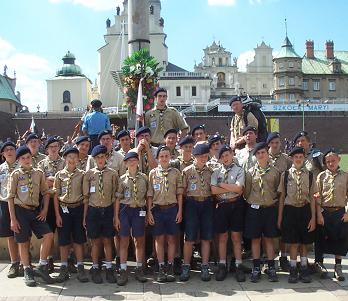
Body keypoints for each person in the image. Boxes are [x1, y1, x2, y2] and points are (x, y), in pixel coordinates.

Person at [7, 146, 55, 287]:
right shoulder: (15, 174)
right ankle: (27, 270)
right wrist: (13, 219)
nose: (26, 160)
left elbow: (46, 192)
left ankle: (41, 265)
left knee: (49, 235)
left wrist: (45, 210)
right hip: (20, 211)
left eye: (28, 157)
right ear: (19, 160)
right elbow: (10, 197)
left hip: (35, 211)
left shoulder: (38, 173)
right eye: (23, 158)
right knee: (23, 241)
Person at [277, 146, 317, 284]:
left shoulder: (310, 175)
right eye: (296, 157)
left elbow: (312, 197)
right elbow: (282, 197)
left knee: (304, 243)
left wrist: (313, 217)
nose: (298, 159)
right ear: (292, 159)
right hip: (290, 210)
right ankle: (293, 268)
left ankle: (304, 267)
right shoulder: (286, 175)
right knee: (293, 242)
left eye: (301, 157)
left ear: (304, 158)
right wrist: (280, 217)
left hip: (305, 210)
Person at [244, 142, 281, 283]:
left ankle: (271, 267)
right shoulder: (250, 173)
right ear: (255, 156)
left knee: (269, 239)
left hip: (269, 209)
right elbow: (246, 193)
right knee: (255, 239)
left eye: (263, 152)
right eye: (258, 153)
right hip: (254, 209)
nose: (261, 155)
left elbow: (277, 191)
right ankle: (256, 267)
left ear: (267, 153)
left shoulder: (275, 172)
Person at [147, 146, 183, 282]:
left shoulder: (176, 173)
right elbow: (150, 194)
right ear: (157, 158)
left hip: (172, 208)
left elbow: (179, 193)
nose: (164, 159)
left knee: (172, 239)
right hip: (158, 210)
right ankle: (161, 266)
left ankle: (170, 266)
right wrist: (149, 211)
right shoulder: (153, 173)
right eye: (161, 156)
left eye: (166, 156)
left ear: (170, 157)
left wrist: (180, 210)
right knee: (159, 239)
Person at [83, 145, 118, 284]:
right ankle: (95, 266)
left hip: (108, 210)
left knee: (107, 240)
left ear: (106, 158)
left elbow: (116, 196)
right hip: (93, 210)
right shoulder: (89, 174)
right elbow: (86, 197)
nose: (100, 160)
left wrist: (115, 216)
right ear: (94, 159)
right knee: (95, 241)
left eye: (102, 157)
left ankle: (109, 267)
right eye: (97, 157)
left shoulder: (113, 174)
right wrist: (85, 216)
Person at [211, 145, 246, 282]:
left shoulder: (239, 170)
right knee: (222, 237)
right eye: (222, 156)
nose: (225, 158)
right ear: (219, 159)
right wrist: (229, 188)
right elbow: (213, 191)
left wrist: (222, 185)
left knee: (236, 237)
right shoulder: (216, 172)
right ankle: (222, 265)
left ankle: (238, 265)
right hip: (222, 206)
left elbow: (238, 189)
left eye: (227, 155)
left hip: (235, 205)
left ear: (232, 154)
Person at [53, 147, 88, 283]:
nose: (72, 160)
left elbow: (85, 197)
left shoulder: (82, 175)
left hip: (78, 209)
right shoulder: (59, 175)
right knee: (63, 240)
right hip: (64, 209)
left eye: (75, 157)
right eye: (70, 157)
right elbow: (56, 196)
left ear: (78, 159)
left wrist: (84, 216)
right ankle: (63, 267)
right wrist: (57, 215)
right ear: (65, 159)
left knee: (79, 239)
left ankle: (80, 266)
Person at [180, 144, 214, 282]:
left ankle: (205, 266)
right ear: (194, 157)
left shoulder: (211, 171)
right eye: (200, 156)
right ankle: (186, 265)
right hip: (192, 203)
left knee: (206, 236)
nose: (203, 159)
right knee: (189, 237)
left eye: (205, 156)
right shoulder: (187, 172)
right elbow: (182, 192)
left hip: (206, 203)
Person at [114, 151, 148, 286]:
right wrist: (116, 217)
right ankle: (123, 269)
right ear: (125, 163)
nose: (132, 162)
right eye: (129, 160)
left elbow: (147, 196)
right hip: (125, 210)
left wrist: (148, 212)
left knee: (139, 240)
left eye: (135, 160)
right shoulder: (122, 179)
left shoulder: (144, 178)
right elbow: (118, 199)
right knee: (124, 240)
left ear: (138, 162)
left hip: (139, 210)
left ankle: (139, 268)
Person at [315, 149, 348, 281]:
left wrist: (347, 212)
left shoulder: (345, 176)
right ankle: (320, 264)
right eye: (328, 161)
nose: (330, 163)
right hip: (324, 212)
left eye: (333, 160)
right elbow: (317, 197)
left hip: (339, 212)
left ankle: (338, 267)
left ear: (338, 160)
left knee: (340, 239)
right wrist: (318, 214)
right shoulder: (321, 176)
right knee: (321, 239)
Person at [38, 136, 65, 273]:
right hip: (47, 202)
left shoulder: (65, 162)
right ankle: (48, 259)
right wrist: (55, 182)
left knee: (66, 231)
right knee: (48, 232)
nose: (54, 149)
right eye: (51, 147)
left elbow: (67, 180)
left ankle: (68, 259)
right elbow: (41, 182)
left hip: (63, 201)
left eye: (56, 146)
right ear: (47, 149)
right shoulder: (42, 164)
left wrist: (53, 181)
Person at [267, 132, 292, 271]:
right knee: (267, 231)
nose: (275, 145)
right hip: (268, 200)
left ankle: (283, 257)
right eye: (272, 143)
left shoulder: (286, 160)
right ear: (268, 144)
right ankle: (268, 258)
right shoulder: (263, 157)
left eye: (277, 142)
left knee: (283, 230)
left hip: (282, 200)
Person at [0, 141, 20, 278]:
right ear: (3, 153)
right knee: (9, 235)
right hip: (5, 203)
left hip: (20, 204)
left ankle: (26, 262)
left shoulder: (22, 166)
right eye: (6, 149)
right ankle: (14, 263)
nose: (9, 151)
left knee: (23, 234)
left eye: (12, 149)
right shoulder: (0, 168)